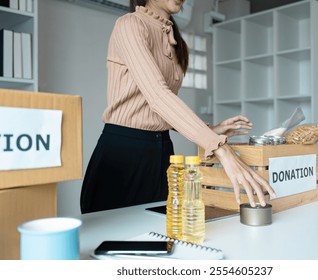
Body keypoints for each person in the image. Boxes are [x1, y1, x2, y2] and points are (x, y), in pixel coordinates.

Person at [80, 0, 276, 214]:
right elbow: (157, 94)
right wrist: (220, 148)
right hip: (123, 153)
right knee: (113, 238)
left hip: (162, 151)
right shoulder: (130, 25)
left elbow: (159, 106)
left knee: (160, 236)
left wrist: (209, 130)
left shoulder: (176, 42)